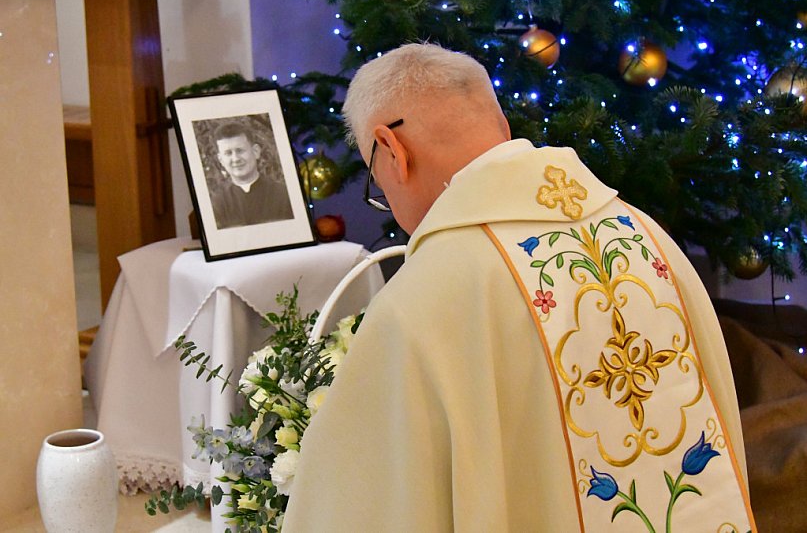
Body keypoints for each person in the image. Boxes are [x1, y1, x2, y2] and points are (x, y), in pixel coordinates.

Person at [283, 43, 756, 532]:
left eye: (374, 178)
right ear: (501, 128)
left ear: (392, 149)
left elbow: (358, 502)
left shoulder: (426, 296)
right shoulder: (643, 235)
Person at [206, 121, 293, 229]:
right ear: (221, 160)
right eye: (228, 153)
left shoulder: (284, 195)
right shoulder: (217, 204)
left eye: (240, 151)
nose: (236, 159)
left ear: (256, 151)